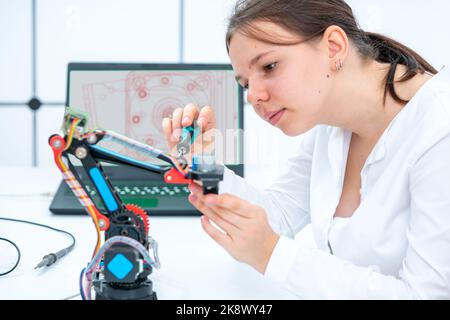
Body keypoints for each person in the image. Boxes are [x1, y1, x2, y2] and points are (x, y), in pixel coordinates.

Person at [162, 0, 450, 299]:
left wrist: (273, 255)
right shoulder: (334, 123)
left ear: (334, 47)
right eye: (245, 84)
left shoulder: (439, 130)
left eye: (269, 66)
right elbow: (279, 216)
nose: (254, 97)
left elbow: (427, 295)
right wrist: (200, 165)